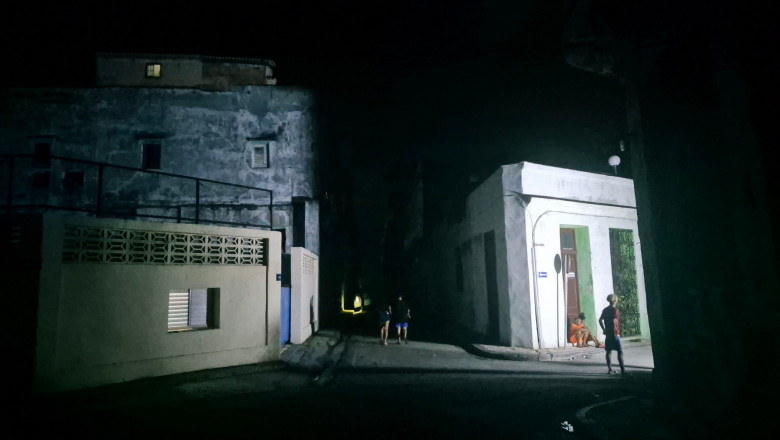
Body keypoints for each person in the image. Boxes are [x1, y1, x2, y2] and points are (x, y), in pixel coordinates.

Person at [599, 294, 626, 374]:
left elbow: (600, 320)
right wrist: (616, 331)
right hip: (614, 333)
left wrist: (604, 329)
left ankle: (610, 369)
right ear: (615, 300)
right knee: (620, 352)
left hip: (608, 333)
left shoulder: (605, 310)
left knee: (608, 351)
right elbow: (615, 321)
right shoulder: (615, 310)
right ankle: (623, 370)